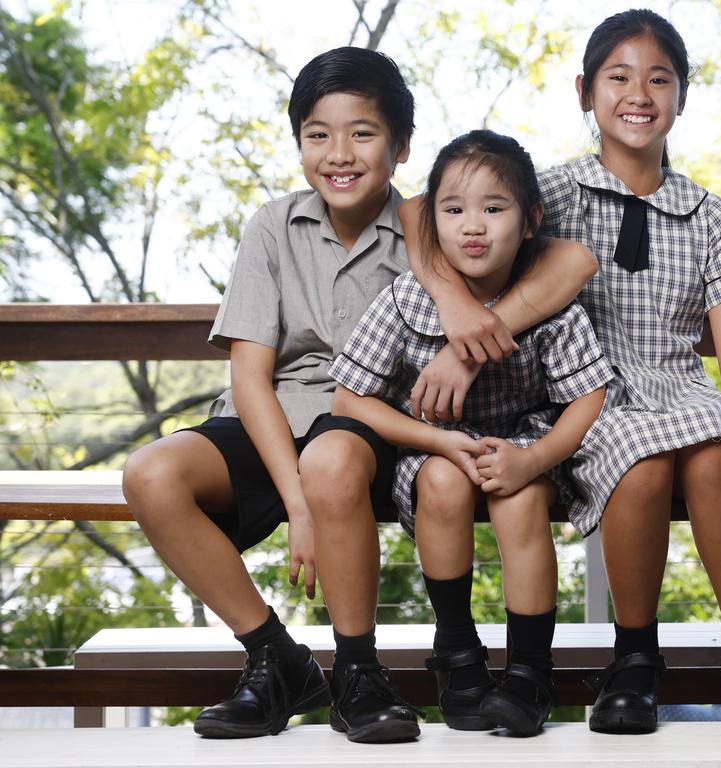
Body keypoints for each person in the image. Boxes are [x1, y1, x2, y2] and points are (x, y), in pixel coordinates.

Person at [121, 48, 597, 743]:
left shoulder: (430, 224)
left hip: (369, 424)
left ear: (401, 145)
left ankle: (356, 671)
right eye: (318, 134)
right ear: (300, 144)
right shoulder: (273, 226)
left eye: (363, 133)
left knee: (332, 462)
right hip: (274, 418)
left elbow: (573, 261)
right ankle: (275, 658)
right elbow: (250, 379)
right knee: (149, 474)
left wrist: (464, 323)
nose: (338, 153)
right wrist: (295, 502)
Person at [407, 9, 721, 738]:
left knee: (717, 456)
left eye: (660, 79)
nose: (639, 93)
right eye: (617, 77)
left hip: (679, 388)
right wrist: (455, 314)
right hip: (584, 393)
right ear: (584, 93)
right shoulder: (549, 193)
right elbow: (414, 210)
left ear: (683, 97)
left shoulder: (711, 216)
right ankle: (633, 659)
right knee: (644, 466)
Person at [327, 130, 611, 738]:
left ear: (531, 219)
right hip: (435, 443)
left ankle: (531, 672)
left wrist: (535, 460)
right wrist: (438, 442)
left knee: (520, 501)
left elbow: (590, 396)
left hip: (525, 439)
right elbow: (350, 399)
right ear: (432, 222)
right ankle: (457, 652)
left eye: (494, 208)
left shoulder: (548, 300)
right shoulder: (408, 300)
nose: (472, 226)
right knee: (444, 485)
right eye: (453, 211)